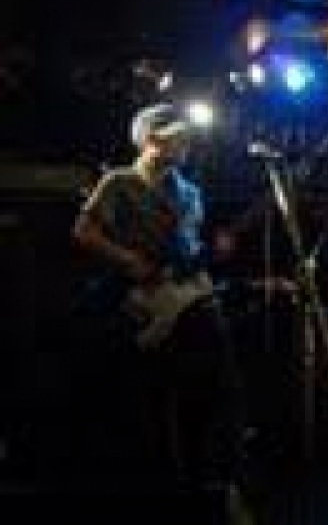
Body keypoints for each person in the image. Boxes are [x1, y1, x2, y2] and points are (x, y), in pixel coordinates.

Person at [71, 103, 245, 494]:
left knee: (208, 376)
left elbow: (190, 251)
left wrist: (216, 251)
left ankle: (207, 469)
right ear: (152, 138)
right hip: (143, 298)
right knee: (163, 387)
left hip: (189, 294)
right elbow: (83, 231)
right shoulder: (118, 182)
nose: (187, 145)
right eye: (179, 138)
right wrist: (127, 259)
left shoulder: (190, 192)